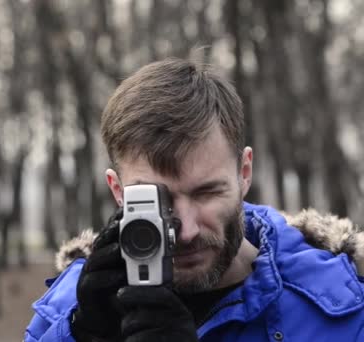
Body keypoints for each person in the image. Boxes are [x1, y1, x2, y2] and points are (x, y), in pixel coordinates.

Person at [24, 58, 364, 342]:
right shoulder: (69, 311)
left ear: (244, 172)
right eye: (158, 199)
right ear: (118, 191)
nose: (184, 230)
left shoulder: (341, 307)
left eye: (206, 192)